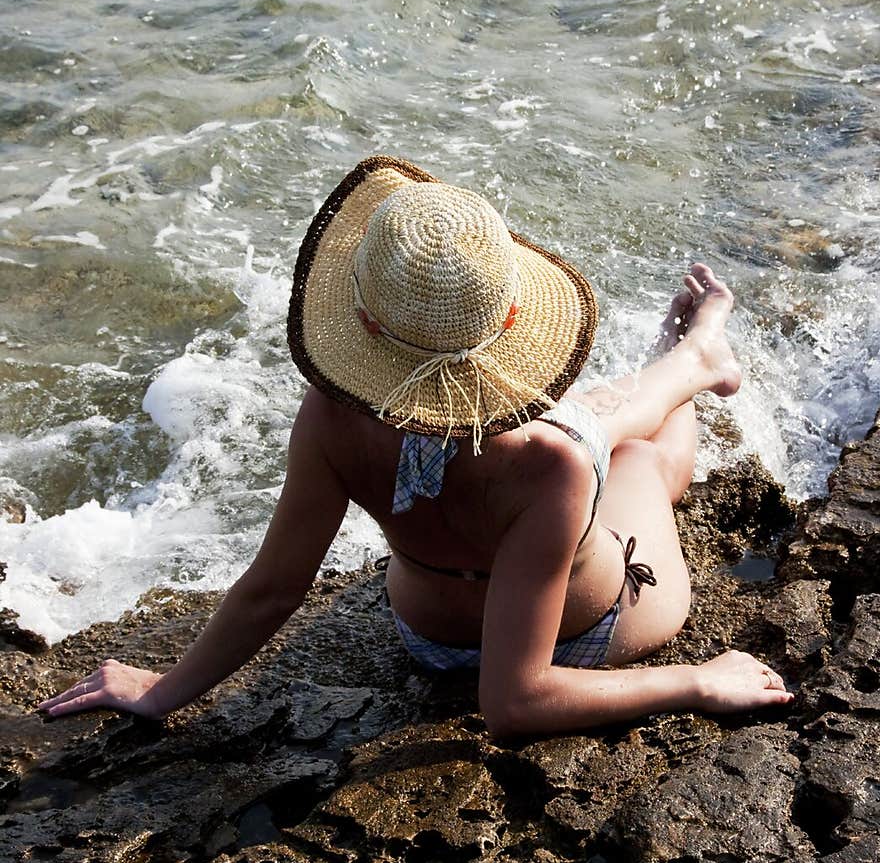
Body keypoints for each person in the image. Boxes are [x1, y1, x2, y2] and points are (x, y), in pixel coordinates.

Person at [37, 155, 793, 737]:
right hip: (591, 634)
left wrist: (165, 690)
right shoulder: (550, 462)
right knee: (635, 458)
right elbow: (514, 701)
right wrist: (699, 679)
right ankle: (696, 362)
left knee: (592, 417)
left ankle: (690, 359)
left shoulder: (332, 416)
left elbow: (272, 588)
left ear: (363, 322)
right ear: (507, 323)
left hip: (426, 637)